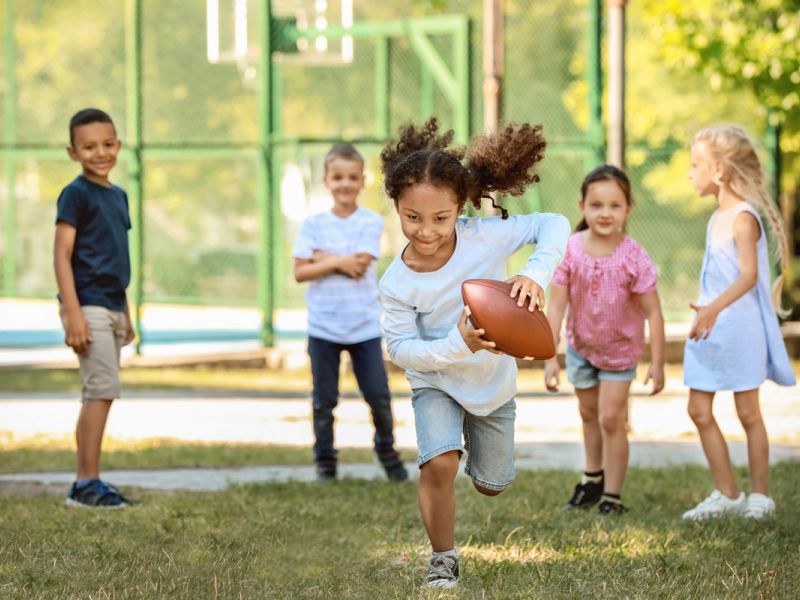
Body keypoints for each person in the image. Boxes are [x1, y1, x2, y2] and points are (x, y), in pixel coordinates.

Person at [378, 118, 570, 588]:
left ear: (460, 207)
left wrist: (533, 276)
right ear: (396, 207)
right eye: (411, 217)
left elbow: (555, 224)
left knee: (491, 485)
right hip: (436, 380)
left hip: (492, 383)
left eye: (440, 218)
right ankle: (442, 560)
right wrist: (456, 344)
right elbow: (401, 349)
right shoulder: (396, 283)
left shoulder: (485, 235)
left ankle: (479, 457)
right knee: (439, 462)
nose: (426, 230)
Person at [681, 125, 796, 521]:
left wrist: (713, 308)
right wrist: (707, 313)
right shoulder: (716, 217)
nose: (689, 172)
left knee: (748, 413)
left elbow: (748, 276)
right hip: (710, 332)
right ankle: (728, 493)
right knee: (698, 409)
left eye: (695, 165)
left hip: (739, 330)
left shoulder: (744, 218)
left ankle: (760, 496)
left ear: (718, 171)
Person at [543, 164, 665, 515]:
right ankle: (591, 480)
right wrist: (549, 356)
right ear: (582, 206)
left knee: (612, 419)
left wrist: (657, 364)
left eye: (615, 205)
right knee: (588, 413)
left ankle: (612, 497)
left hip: (620, 353)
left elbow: (654, 313)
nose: (605, 213)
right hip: (581, 349)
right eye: (597, 205)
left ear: (628, 209)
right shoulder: (570, 250)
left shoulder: (634, 257)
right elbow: (556, 308)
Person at [292, 143, 408, 483]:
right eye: (338, 177)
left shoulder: (371, 222)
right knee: (324, 401)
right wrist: (336, 260)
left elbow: (359, 266)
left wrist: (321, 258)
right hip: (323, 328)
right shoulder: (312, 224)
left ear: (362, 181)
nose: (345, 184)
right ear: (327, 180)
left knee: (378, 396)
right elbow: (300, 271)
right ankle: (325, 464)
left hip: (364, 328)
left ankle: (387, 452)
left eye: (352, 177)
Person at [54, 108, 135, 508]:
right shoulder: (76, 194)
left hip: (112, 307)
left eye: (107, 144)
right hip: (87, 306)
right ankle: (85, 483)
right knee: (99, 392)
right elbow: (61, 255)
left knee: (103, 392)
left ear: (118, 146)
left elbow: (117, 258)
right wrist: (73, 312)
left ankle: (90, 481)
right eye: (89, 147)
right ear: (74, 152)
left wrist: (128, 314)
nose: (100, 153)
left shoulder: (118, 196)